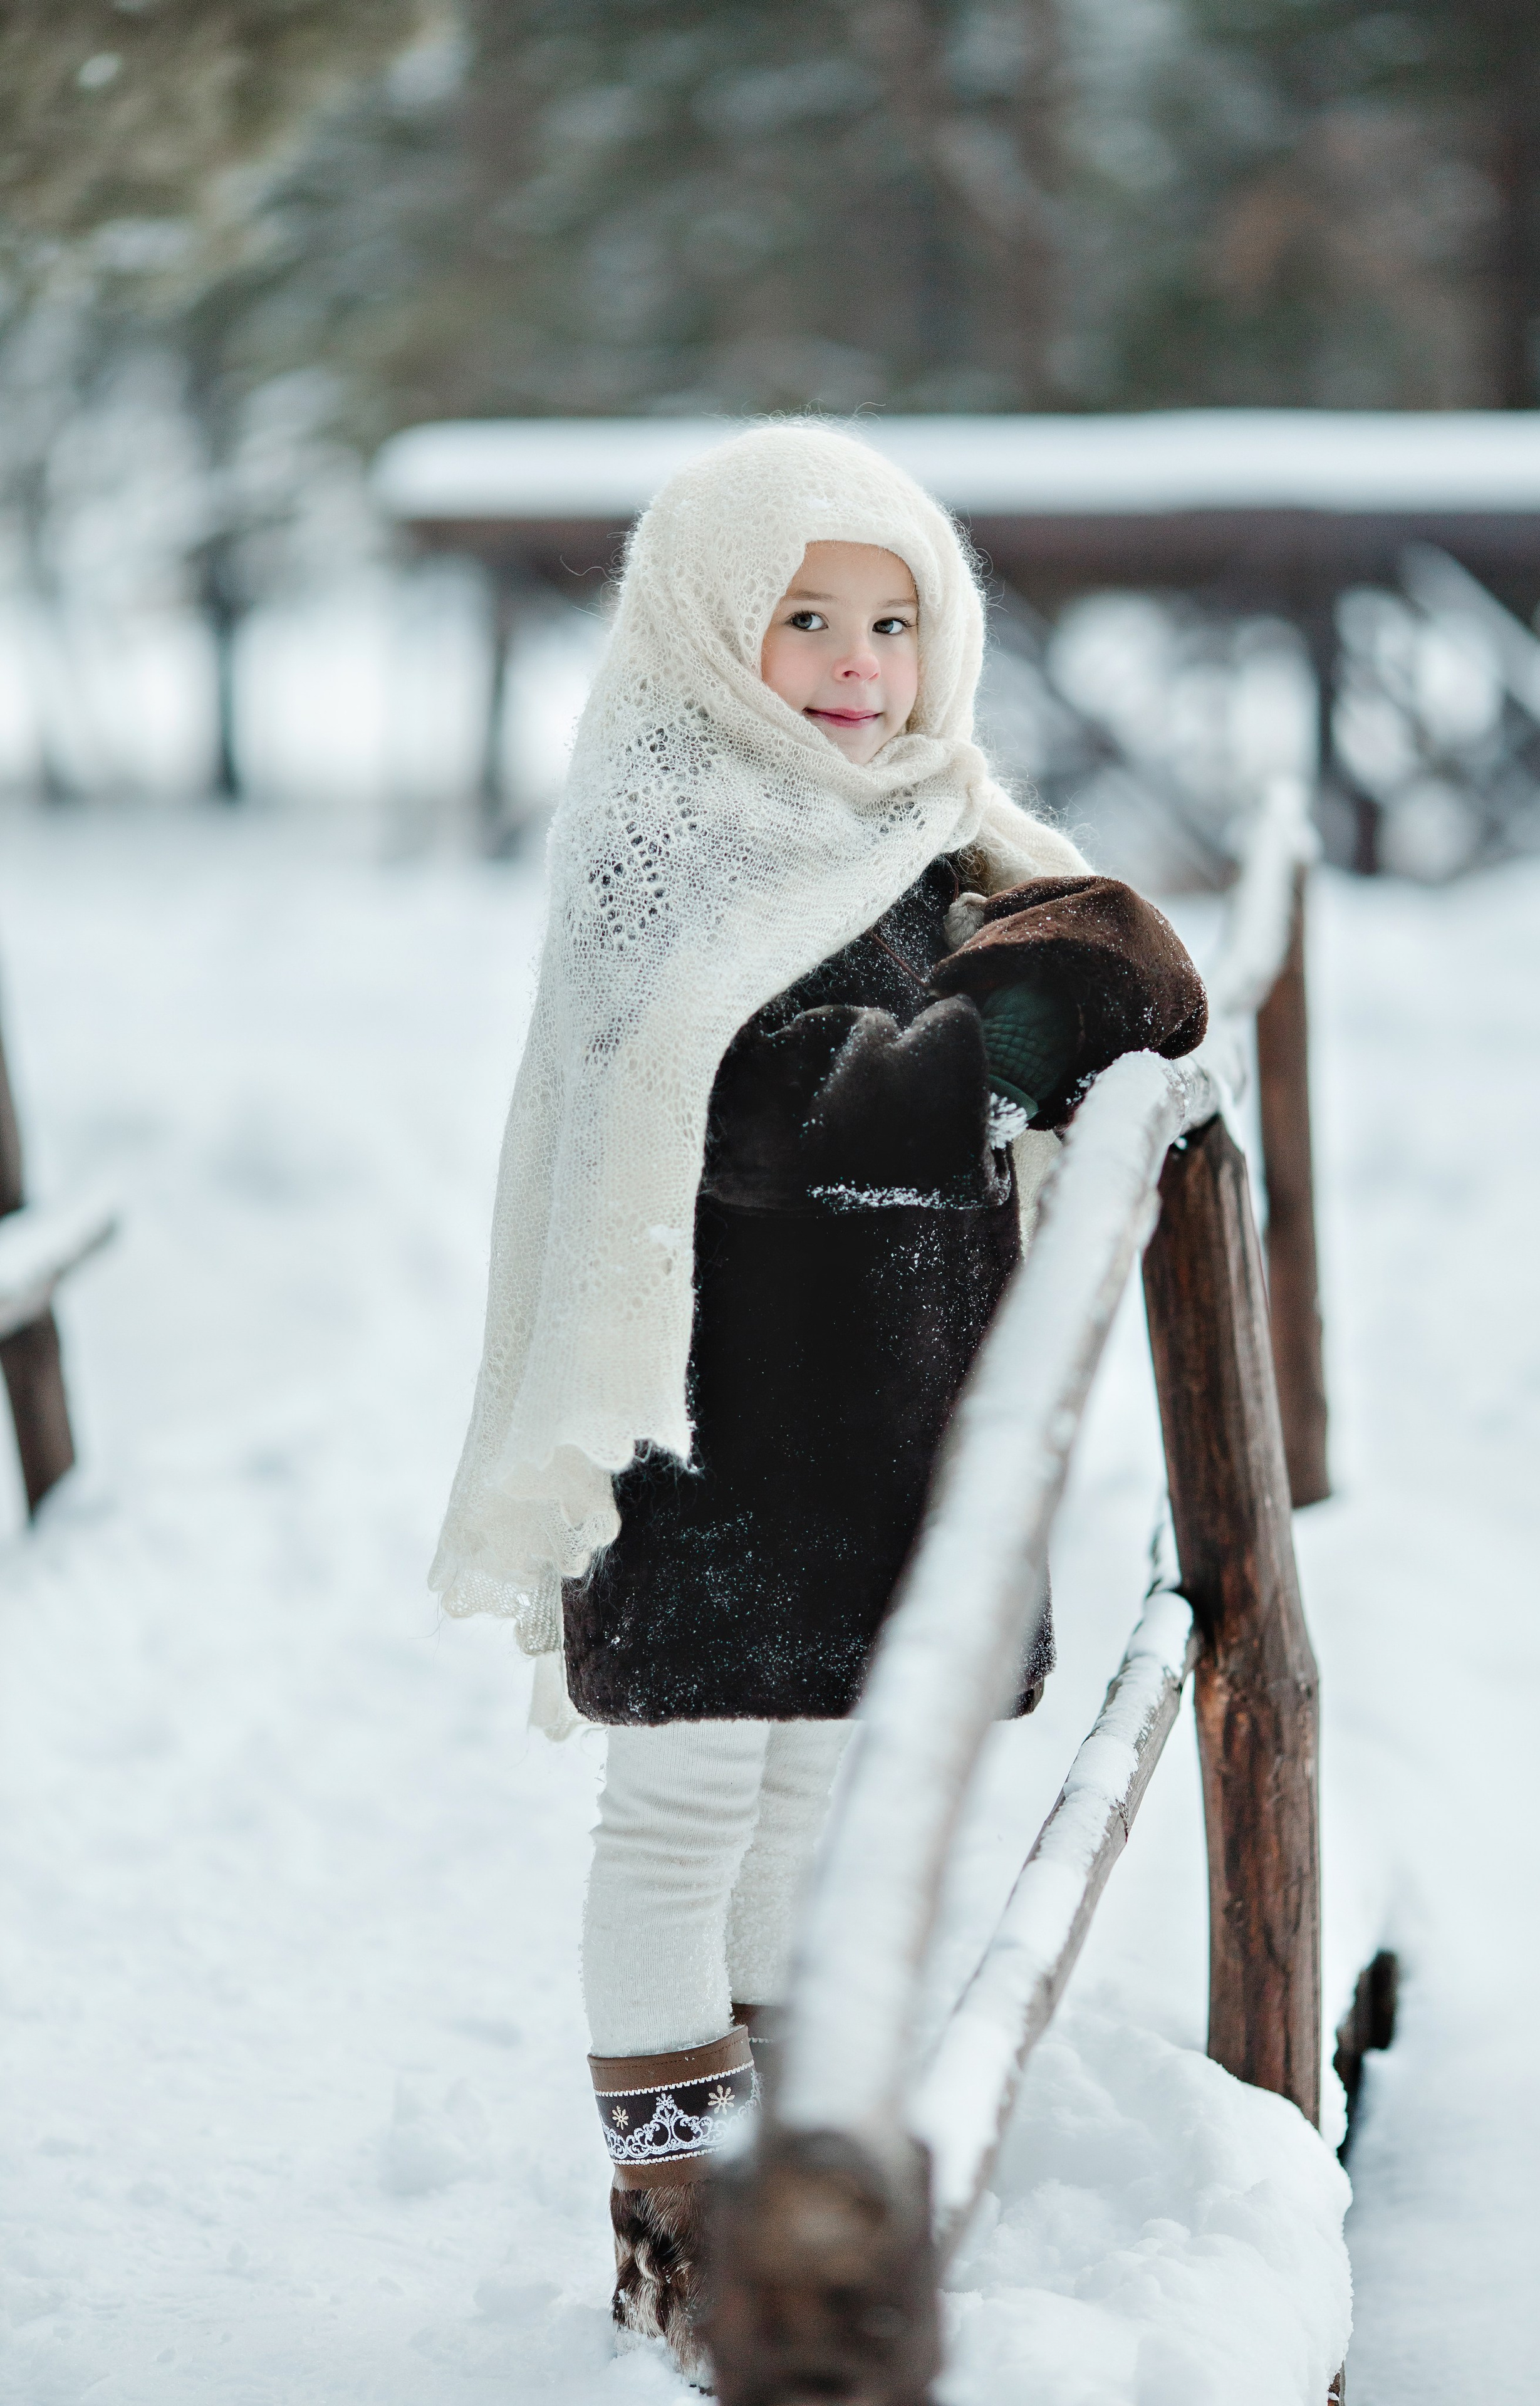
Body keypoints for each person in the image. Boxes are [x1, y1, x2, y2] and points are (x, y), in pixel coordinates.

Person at [430, 424, 1205, 2382]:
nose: (860, 665)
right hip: (712, 1442)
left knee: (805, 1801)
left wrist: (1059, 964)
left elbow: (1080, 1001)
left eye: (895, 621)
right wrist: (1031, 1012)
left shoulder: (933, 829)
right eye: (805, 620)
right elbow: (809, 1115)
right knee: (685, 1810)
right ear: (710, 631)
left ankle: (781, 2162)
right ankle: (679, 2217)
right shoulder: (677, 829)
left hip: (881, 1424)